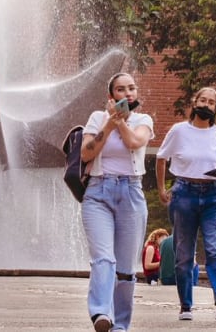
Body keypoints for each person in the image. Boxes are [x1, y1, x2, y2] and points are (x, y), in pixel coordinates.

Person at [79, 72, 154, 332]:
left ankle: (120, 325)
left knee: (125, 268)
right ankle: (101, 312)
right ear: (111, 96)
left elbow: (134, 142)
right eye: (121, 89)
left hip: (131, 193)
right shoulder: (97, 118)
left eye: (131, 88)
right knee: (103, 258)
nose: (128, 93)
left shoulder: (143, 120)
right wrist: (109, 125)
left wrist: (119, 122)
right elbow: (86, 153)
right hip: (98, 192)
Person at [155, 86, 216, 322]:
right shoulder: (179, 130)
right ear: (194, 102)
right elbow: (161, 158)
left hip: (213, 195)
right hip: (184, 194)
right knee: (184, 254)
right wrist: (162, 190)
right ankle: (185, 305)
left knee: (214, 249)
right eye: (203, 100)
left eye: (211, 102)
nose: (206, 105)